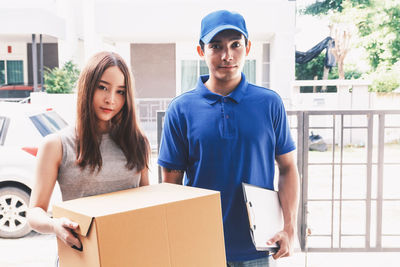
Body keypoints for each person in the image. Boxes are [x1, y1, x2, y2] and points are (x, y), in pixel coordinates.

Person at [158, 10, 300, 266]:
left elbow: (288, 168)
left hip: (260, 246)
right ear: (201, 51)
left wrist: (289, 229)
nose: (227, 56)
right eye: (216, 46)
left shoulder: (269, 103)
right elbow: (171, 185)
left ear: (248, 47)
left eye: (236, 45)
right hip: (201, 248)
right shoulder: (181, 109)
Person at [27, 51, 150, 251]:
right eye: (103, 87)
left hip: (129, 252)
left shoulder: (138, 141)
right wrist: (55, 225)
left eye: (120, 91)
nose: (111, 99)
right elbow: (34, 212)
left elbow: (147, 203)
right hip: (80, 254)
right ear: (87, 87)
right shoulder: (56, 144)